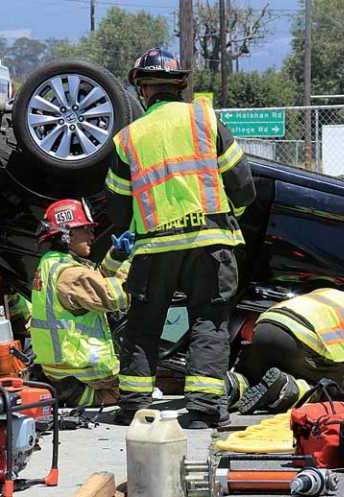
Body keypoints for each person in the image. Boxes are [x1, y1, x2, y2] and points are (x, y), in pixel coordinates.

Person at [106, 48, 256, 429]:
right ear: (181, 84)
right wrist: (227, 215)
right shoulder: (205, 119)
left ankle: (135, 405)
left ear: (142, 89)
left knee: (143, 324)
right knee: (209, 321)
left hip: (155, 247)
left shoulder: (127, 139)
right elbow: (242, 186)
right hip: (210, 241)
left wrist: (133, 233)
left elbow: (119, 212)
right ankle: (204, 411)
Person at [225, 289, 344, 414]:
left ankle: (231, 387)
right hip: (299, 339)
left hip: (265, 325)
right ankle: (285, 389)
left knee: (252, 375)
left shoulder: (338, 296)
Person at [30, 199, 130, 407]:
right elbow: (111, 296)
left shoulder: (53, 264)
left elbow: (93, 283)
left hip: (64, 370)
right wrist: (140, 271)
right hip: (87, 373)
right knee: (140, 386)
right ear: (68, 234)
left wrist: (116, 257)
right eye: (85, 229)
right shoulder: (70, 273)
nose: (92, 235)